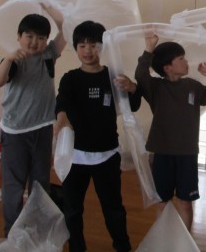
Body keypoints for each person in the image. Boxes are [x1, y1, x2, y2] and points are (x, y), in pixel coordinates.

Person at [54, 21, 141, 252]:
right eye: (82, 46)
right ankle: (77, 248)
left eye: (93, 45)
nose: (88, 51)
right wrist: (61, 117)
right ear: (75, 48)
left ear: (102, 48)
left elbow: (132, 105)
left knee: (113, 208)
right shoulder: (71, 78)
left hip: (107, 154)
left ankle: (123, 247)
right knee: (72, 209)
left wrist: (132, 88)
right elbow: (62, 101)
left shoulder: (112, 76)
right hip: (75, 155)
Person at [0, 5, 66, 236]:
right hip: (15, 132)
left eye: (41, 38)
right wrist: (8, 59)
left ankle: (36, 229)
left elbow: (64, 33)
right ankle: (12, 233)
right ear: (19, 37)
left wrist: (53, 11)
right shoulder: (15, 60)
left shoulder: (48, 55)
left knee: (40, 182)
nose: (34, 42)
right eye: (29, 36)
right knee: (13, 184)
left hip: (42, 128)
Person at [134, 33, 206, 232]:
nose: (186, 62)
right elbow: (140, 74)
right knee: (162, 202)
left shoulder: (193, 86)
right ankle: (162, 239)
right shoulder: (156, 88)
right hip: (162, 153)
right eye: (181, 58)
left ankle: (185, 241)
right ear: (168, 67)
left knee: (185, 202)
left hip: (187, 154)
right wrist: (149, 48)